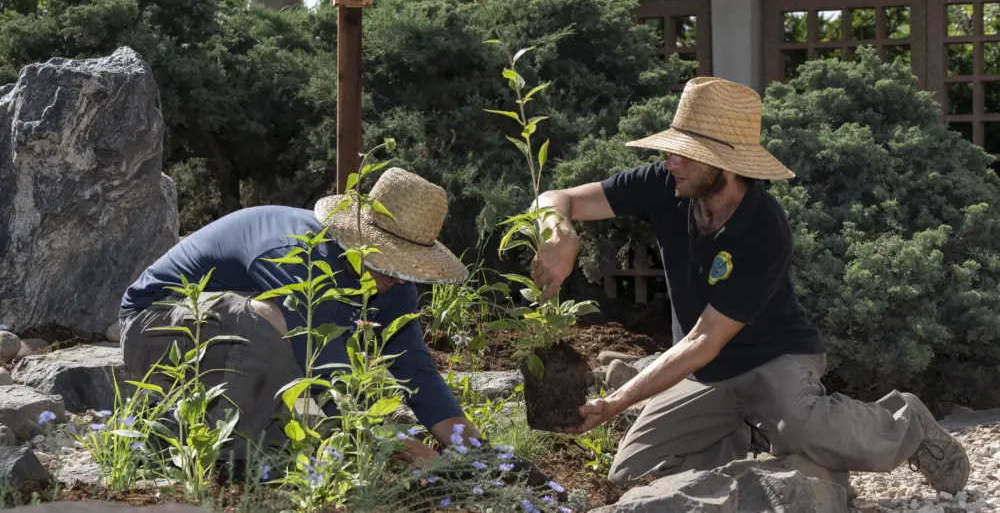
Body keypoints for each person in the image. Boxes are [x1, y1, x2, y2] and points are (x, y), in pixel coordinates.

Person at [528, 77, 971, 495]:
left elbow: (703, 340)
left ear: (726, 163)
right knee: (633, 475)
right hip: (704, 375)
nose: (671, 162)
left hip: (773, 358)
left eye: (686, 154)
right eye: (672, 151)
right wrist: (558, 232)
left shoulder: (764, 228)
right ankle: (758, 438)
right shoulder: (665, 184)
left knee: (802, 424)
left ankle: (905, 424)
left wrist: (617, 401)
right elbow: (555, 198)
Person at [118, 167, 481, 470]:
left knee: (278, 337)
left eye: (406, 267)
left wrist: (477, 453)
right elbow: (328, 373)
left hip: (222, 347)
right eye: (390, 261)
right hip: (155, 331)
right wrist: (406, 450)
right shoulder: (300, 256)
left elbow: (417, 372)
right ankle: (234, 460)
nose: (400, 278)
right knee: (273, 319)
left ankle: (198, 437)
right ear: (359, 240)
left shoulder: (394, 283)